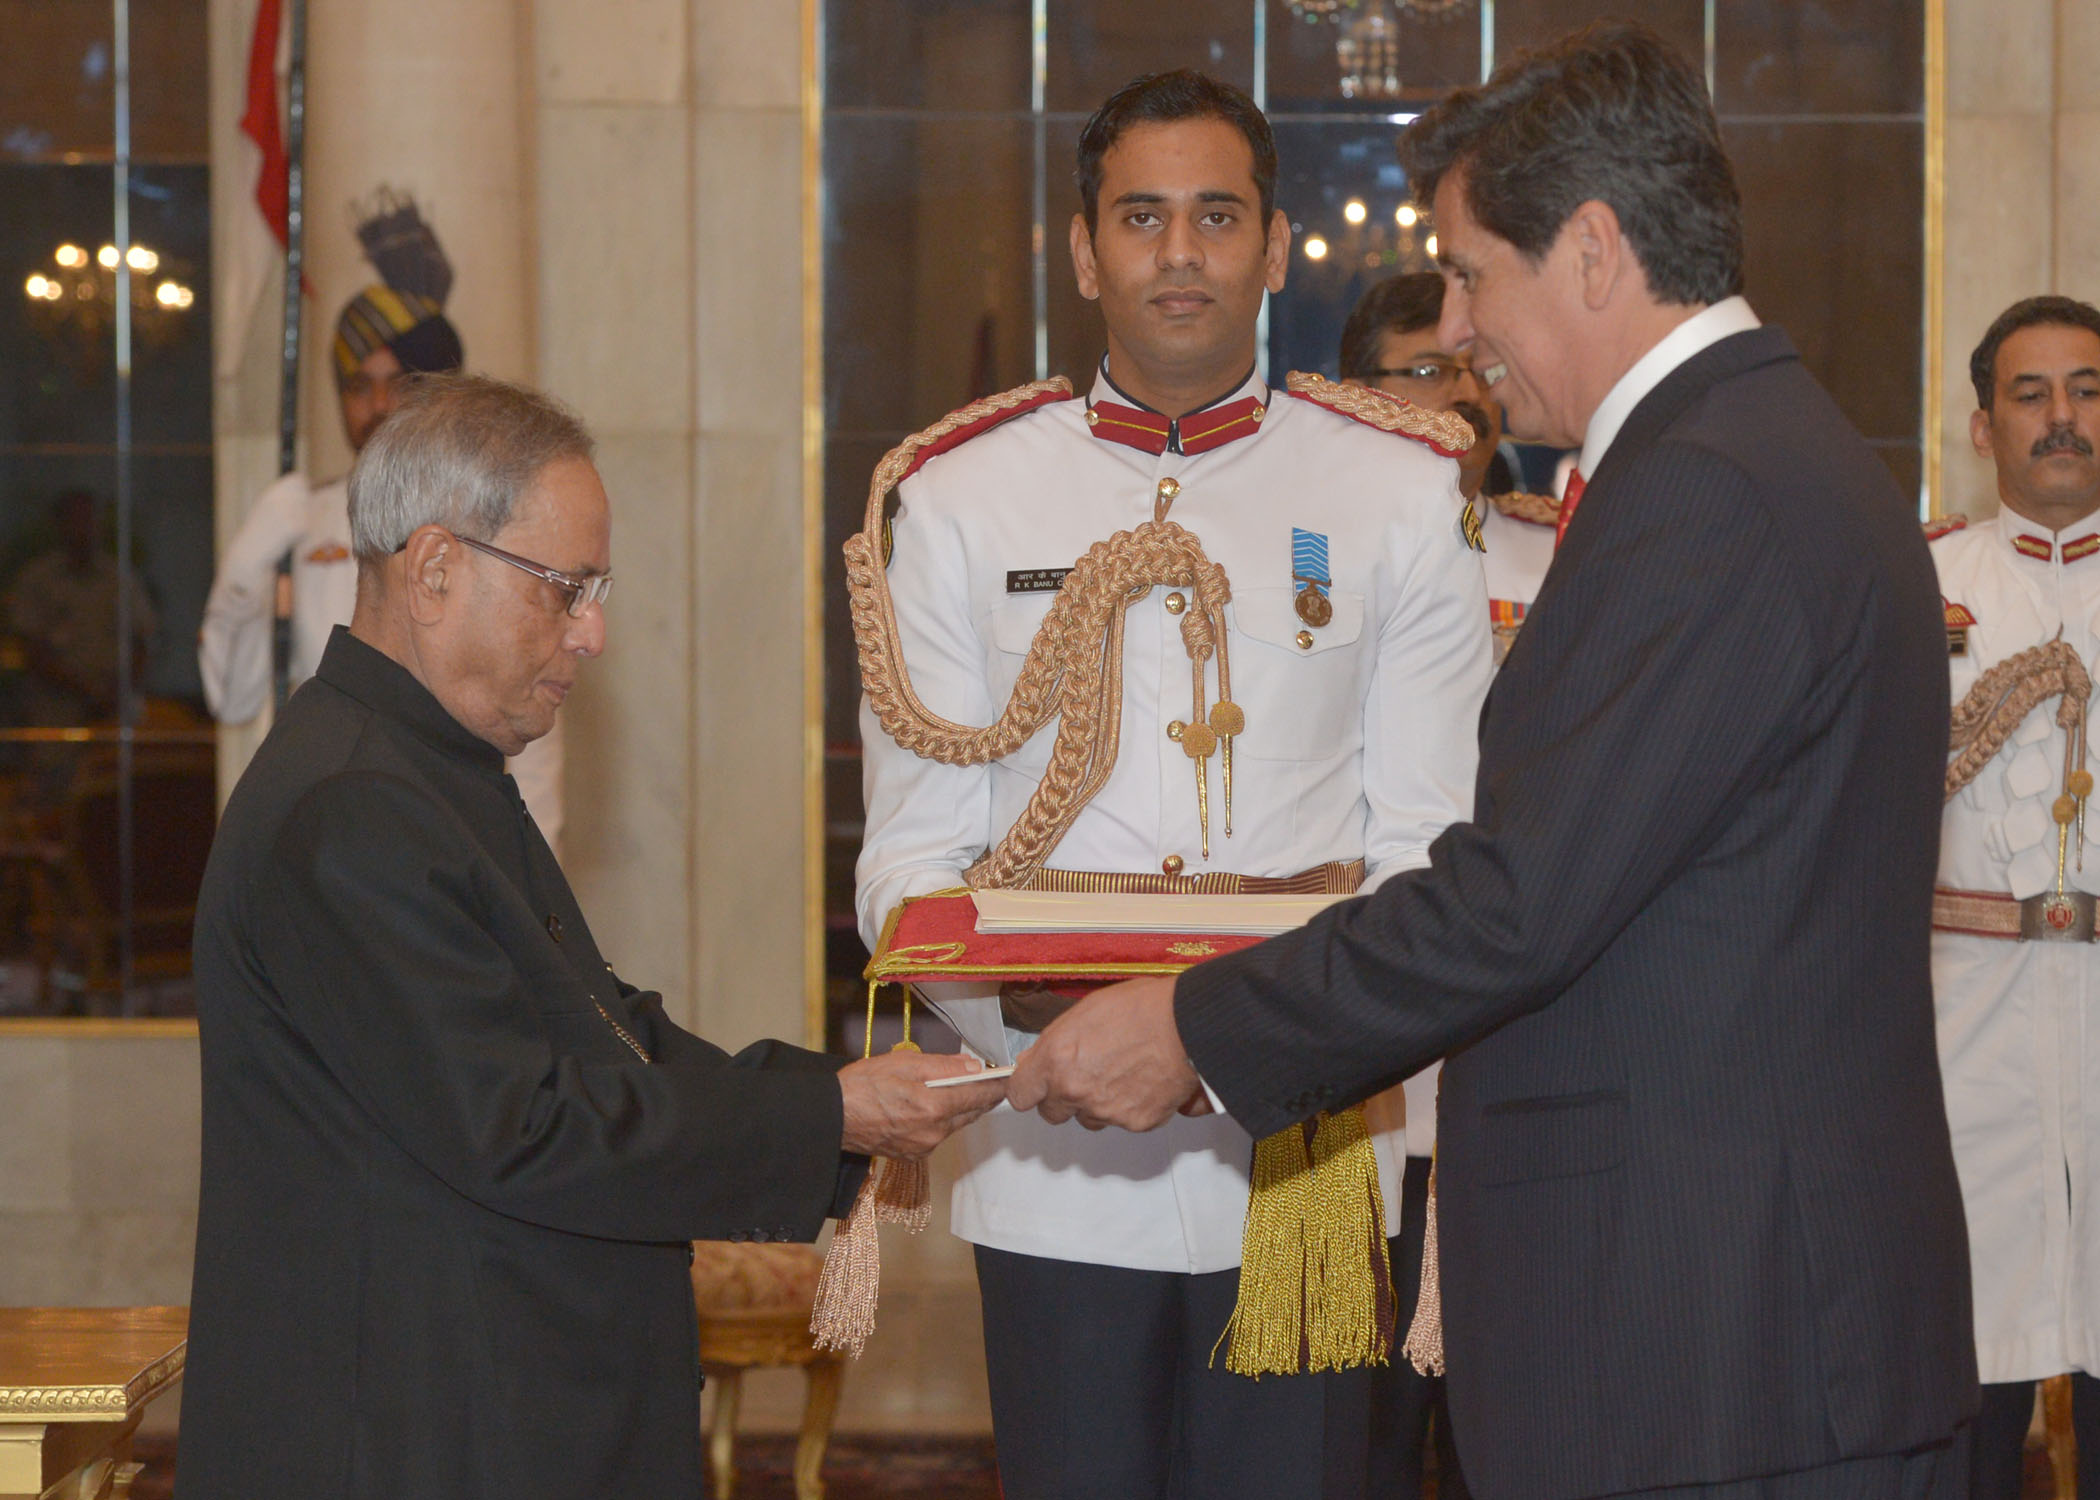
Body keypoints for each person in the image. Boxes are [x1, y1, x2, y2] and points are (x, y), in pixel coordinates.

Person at [1010, 22, 1979, 1500]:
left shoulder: (1709, 493)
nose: (1455, 324)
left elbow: (1519, 901)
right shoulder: (1754, 453)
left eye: (1472, 271)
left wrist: (1196, 1029)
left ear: (1590, 249)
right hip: (1736, 1346)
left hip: (1715, 1358)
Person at [177, 375, 1006, 1500]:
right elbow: (523, 1125)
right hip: (412, 1438)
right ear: (433, 571)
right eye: (565, 590)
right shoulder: (353, 808)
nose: (595, 631)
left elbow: (609, 1036)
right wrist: (832, 1115)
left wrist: (843, 1104)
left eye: (596, 589)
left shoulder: (422, 770)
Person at [853, 69, 1490, 1500]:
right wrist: (1059, 1038)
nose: (1181, 251)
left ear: (1275, 247)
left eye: (1218, 216)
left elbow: (1429, 853)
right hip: (1054, 1151)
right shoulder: (961, 500)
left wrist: (1218, 1039)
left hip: (1311, 1153)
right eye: (1143, 217)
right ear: (1083, 251)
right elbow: (910, 858)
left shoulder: (1399, 493)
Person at [1340, 266, 1578, 1500]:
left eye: (1476, 368)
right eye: (1422, 368)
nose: (1461, 395)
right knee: (1357, 1440)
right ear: (1348, 392)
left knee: (1525, 1434)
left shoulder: (1578, 562)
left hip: (1522, 1045)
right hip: (1366, 1059)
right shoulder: (1313, 570)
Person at [199, 282, 568, 849]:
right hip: (323, 827)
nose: (376, 407)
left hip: (455, 832)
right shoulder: (305, 518)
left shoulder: (495, 526)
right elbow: (232, 695)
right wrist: (249, 563)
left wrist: (528, 873)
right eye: (357, 386)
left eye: (398, 385)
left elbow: (530, 734)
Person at [1928, 294, 2100, 1500]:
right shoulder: (1915, 579)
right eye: (2031, 395)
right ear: (1984, 427)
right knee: (1962, 1374)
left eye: (2088, 390)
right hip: (1962, 1026)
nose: (2063, 419)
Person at [1343, 270, 1557, 666]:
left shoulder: (1557, 553)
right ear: (1358, 398)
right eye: (1430, 372)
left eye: (1480, 371)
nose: (1469, 394)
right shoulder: (1315, 548)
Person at [5, 487, 156, 724]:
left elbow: (142, 643)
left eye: (90, 518)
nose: (84, 527)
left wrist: (115, 692)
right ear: (59, 524)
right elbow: (31, 649)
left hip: (114, 712)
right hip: (56, 712)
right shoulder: (37, 579)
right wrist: (86, 690)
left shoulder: (120, 578)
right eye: (75, 518)